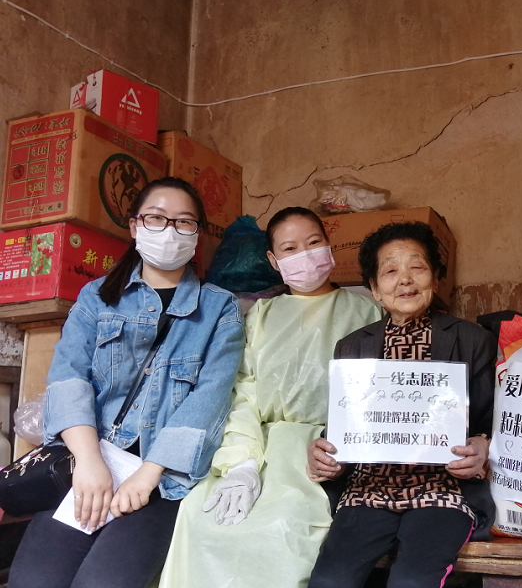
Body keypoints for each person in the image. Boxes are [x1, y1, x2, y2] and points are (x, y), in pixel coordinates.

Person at [9, 177, 245, 588]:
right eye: (156, 218)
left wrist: (148, 474)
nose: (169, 231)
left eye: (183, 221)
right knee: (34, 580)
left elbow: (209, 397)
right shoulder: (97, 296)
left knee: (105, 582)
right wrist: (89, 463)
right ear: (135, 225)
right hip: (88, 459)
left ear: (197, 235)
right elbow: (69, 376)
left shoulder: (220, 308)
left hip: (162, 479)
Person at [158, 207, 384, 588]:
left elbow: (374, 401)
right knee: (198, 515)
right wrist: (241, 464)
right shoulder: (260, 315)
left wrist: (339, 452)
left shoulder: (368, 312)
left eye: (313, 243)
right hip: (258, 445)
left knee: (282, 528)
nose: (304, 255)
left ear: (328, 245)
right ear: (273, 261)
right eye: (290, 248)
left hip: (322, 453)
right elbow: (242, 391)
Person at [307, 221, 496, 588]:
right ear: (375, 289)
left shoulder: (472, 339)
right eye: (390, 271)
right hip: (367, 490)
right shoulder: (352, 347)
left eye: (418, 267)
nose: (405, 280)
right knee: (330, 580)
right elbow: (342, 429)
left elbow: (494, 421)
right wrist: (326, 455)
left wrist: (483, 447)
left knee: (412, 581)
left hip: (444, 490)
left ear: (436, 278)